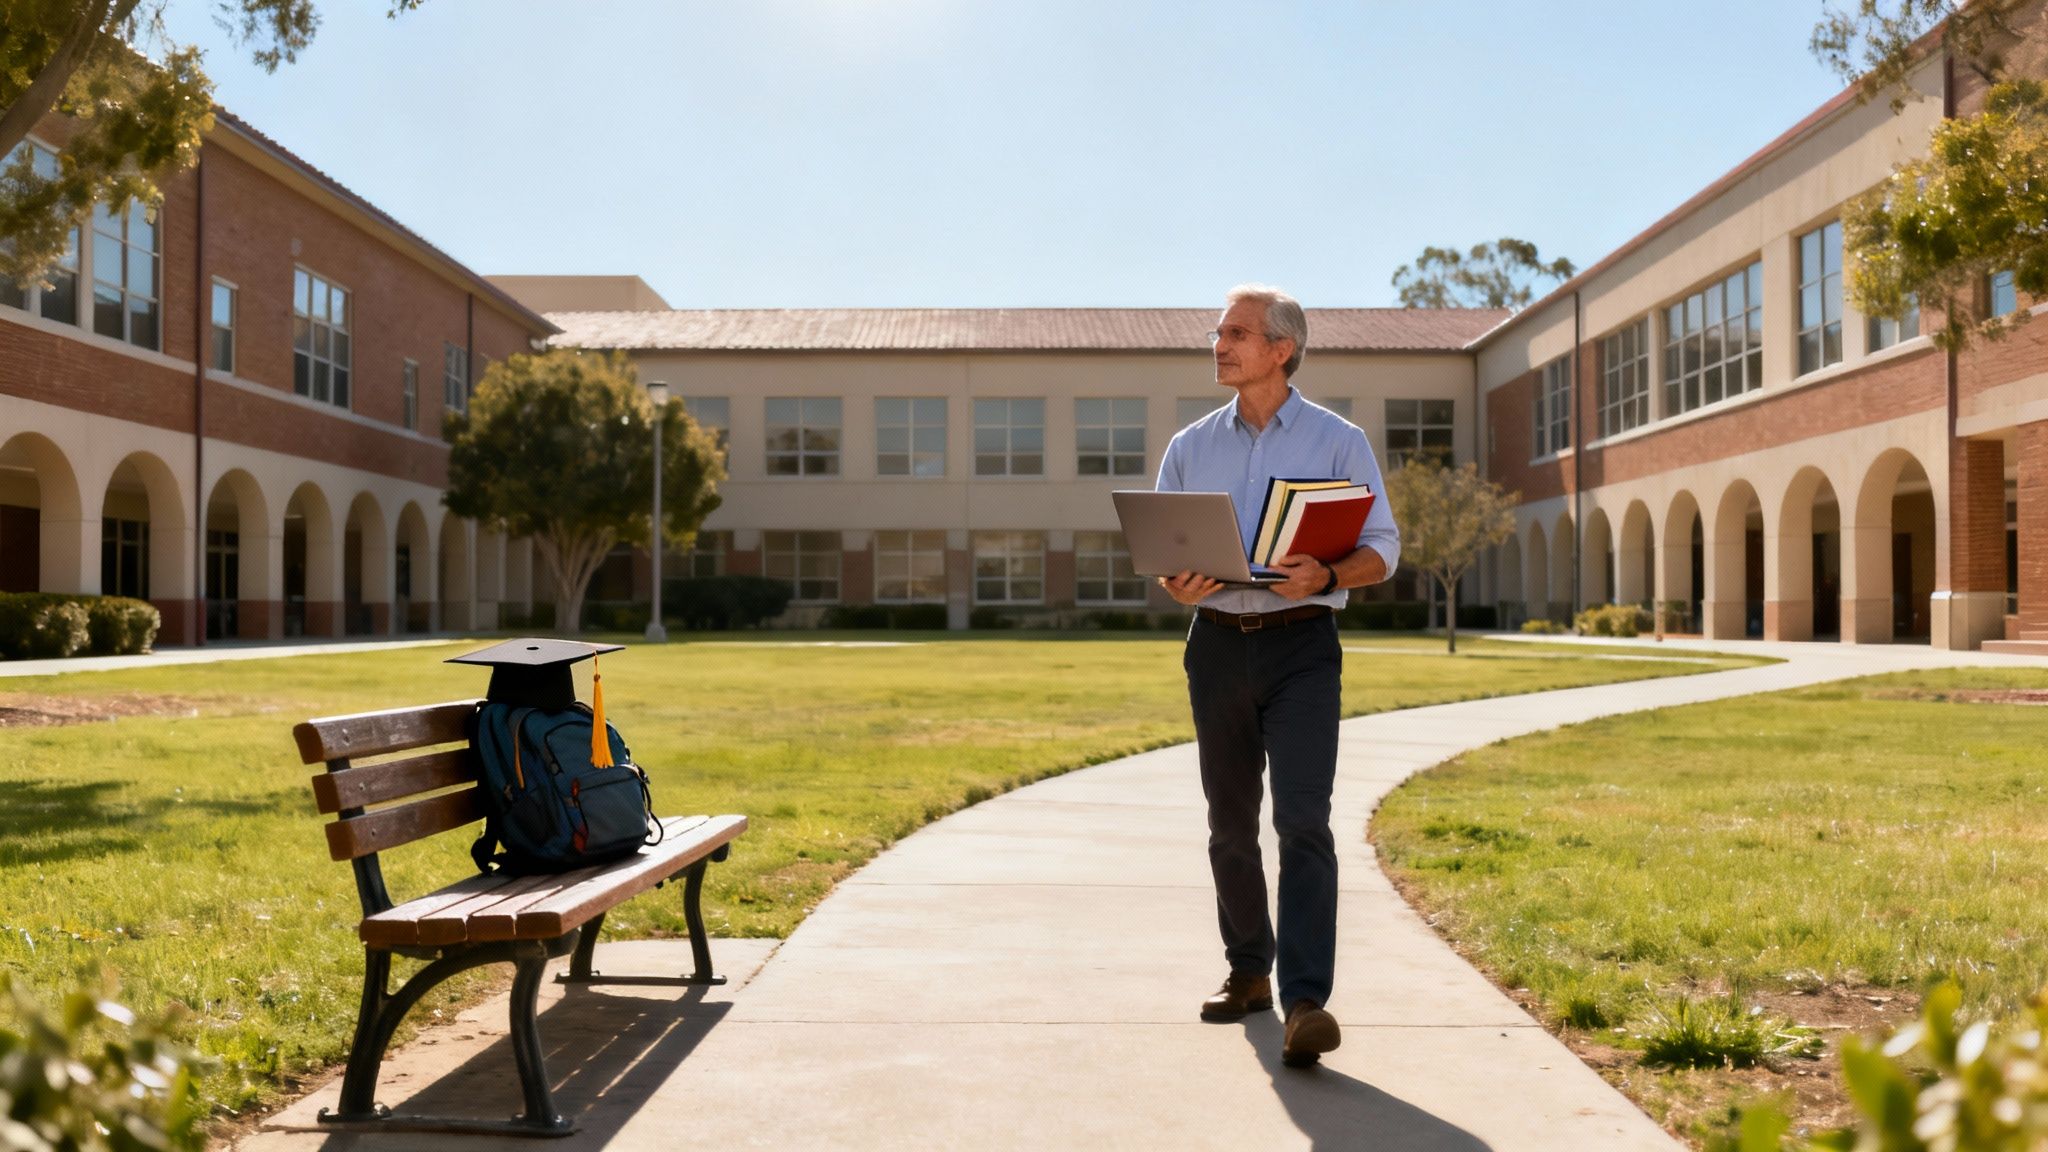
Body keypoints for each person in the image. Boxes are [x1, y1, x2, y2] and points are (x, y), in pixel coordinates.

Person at [1155, 284, 1399, 1068]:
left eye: (1235, 333)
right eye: (1217, 333)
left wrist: (1326, 573)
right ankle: (1248, 973)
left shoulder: (1338, 441)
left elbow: (1383, 550)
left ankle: (1305, 1001)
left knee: (1301, 821)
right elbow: (1167, 552)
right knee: (1230, 823)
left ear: (1281, 348)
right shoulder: (1191, 445)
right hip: (1217, 644)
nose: (1218, 344)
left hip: (1302, 648)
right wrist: (1178, 581)